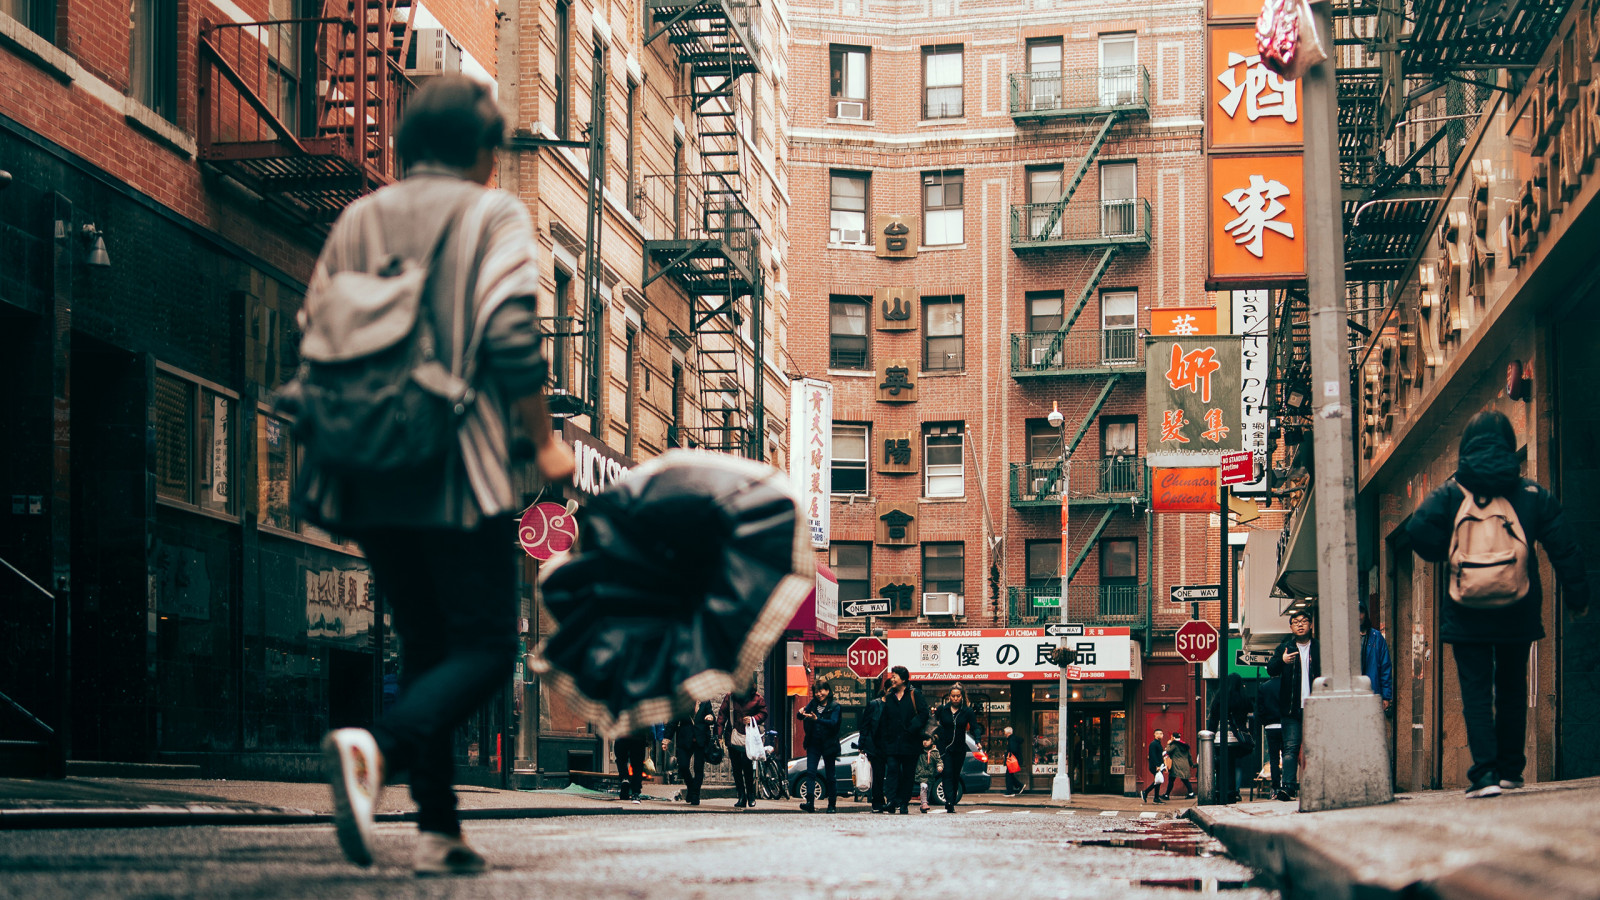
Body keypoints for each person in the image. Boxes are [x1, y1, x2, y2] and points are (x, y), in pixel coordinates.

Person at [313, 75, 576, 877]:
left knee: (427, 643)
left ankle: (438, 828)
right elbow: (508, 332)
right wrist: (543, 441)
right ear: (484, 153)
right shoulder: (490, 213)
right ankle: (378, 749)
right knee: (490, 648)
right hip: (457, 467)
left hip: (367, 469)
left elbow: (318, 329)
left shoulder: (360, 217)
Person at [1407, 410, 1589, 798]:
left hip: (1465, 608)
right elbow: (1565, 548)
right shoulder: (1530, 494)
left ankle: (1484, 776)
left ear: (1465, 448)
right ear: (1509, 444)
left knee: (1476, 690)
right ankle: (1510, 770)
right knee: (1511, 686)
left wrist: (1449, 554)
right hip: (1517, 607)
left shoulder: (1452, 492)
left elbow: (1417, 529)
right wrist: (1578, 598)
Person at [1265, 609, 1319, 801]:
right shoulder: (1285, 648)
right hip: (1291, 708)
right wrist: (1282, 660)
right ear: (1291, 627)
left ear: (1311, 625)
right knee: (1290, 748)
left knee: (1317, 748)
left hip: (1316, 708)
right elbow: (1270, 669)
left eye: (1304, 621)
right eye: (1296, 622)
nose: (1300, 624)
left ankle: (1318, 784)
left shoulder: (1319, 648)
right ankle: (1288, 787)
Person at [878, 666, 928, 815]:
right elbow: (885, 719)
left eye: (895, 676)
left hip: (910, 742)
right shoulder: (889, 697)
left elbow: (924, 714)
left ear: (904, 679)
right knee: (892, 770)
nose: (892, 679)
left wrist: (912, 728)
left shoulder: (914, 694)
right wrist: (884, 739)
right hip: (893, 743)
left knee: (908, 774)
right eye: (892, 676)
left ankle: (904, 803)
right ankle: (891, 801)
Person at [717, 684, 767, 809]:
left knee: (747, 766)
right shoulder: (730, 697)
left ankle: (750, 795)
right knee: (736, 768)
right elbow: (722, 715)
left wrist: (753, 719)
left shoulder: (757, 698)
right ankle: (741, 796)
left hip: (748, 737)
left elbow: (763, 713)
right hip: (733, 736)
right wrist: (718, 735)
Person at [797, 682, 843, 813]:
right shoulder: (813, 704)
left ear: (828, 691)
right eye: (816, 691)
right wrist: (800, 713)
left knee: (830, 775)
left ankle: (832, 805)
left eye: (821, 690)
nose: (819, 694)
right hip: (813, 743)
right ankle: (809, 803)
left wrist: (817, 720)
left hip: (829, 744)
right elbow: (801, 716)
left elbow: (833, 723)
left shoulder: (835, 706)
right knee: (810, 773)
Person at [1209, 673, 1254, 803]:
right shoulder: (1243, 698)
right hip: (1236, 739)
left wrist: (1209, 736)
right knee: (1234, 765)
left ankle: (1219, 791)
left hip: (1219, 738)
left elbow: (1213, 720)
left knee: (1220, 765)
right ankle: (1233, 791)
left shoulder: (1219, 697)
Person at [932, 684, 975, 813]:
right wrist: (932, 738)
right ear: (949, 697)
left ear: (962, 697)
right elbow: (933, 724)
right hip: (945, 748)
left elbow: (975, 727)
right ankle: (949, 802)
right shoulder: (942, 710)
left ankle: (952, 799)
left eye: (958, 696)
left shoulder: (967, 711)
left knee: (955, 775)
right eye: (953, 696)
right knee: (947, 773)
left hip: (960, 748)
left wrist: (977, 741)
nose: (955, 698)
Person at [667, 700, 715, 805]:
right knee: (683, 766)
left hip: (701, 739)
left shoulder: (705, 702)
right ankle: (691, 786)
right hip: (685, 738)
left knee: (698, 768)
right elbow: (674, 720)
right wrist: (667, 737)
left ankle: (695, 794)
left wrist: (710, 718)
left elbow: (711, 715)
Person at [1359, 600, 1394, 715]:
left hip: (1372, 692)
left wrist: (1386, 696)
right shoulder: (1346, 638)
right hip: (1352, 693)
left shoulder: (1376, 637)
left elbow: (1385, 667)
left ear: (1365, 614)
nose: (1358, 616)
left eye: (1361, 612)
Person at [858, 681, 888, 812]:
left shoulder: (897, 705)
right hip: (876, 746)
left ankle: (890, 800)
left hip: (891, 745)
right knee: (878, 775)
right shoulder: (874, 705)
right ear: (885, 690)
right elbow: (865, 725)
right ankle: (878, 801)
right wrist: (862, 744)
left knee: (893, 773)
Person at [1257, 675, 1284, 795]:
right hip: (1285, 724)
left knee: (1274, 759)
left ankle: (1276, 786)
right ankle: (1287, 784)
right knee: (1288, 754)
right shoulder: (1285, 684)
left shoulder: (1264, 687)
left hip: (1270, 726)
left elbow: (1259, 709)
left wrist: (1264, 722)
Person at [914, 735, 943, 813]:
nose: (925, 742)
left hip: (930, 775)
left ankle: (924, 803)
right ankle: (924, 803)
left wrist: (939, 766)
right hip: (921, 773)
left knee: (928, 790)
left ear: (932, 741)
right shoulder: (920, 750)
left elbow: (939, 761)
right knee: (924, 787)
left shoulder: (935, 752)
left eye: (927, 740)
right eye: (923, 740)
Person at [1163, 732, 1195, 800]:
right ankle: (1191, 793)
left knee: (1171, 779)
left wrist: (1168, 744)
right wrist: (1191, 764)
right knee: (1185, 779)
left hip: (1176, 765)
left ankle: (1166, 795)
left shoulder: (1174, 745)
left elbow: (1168, 751)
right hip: (1185, 765)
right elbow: (1189, 756)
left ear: (1173, 737)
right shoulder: (1185, 745)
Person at [1140, 728, 1166, 804]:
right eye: (1158, 733)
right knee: (1158, 781)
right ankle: (1146, 793)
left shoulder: (1158, 743)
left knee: (1158, 781)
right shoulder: (1153, 744)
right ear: (1154, 734)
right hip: (1155, 766)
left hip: (1159, 765)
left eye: (1161, 733)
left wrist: (1163, 765)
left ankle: (1155, 798)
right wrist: (1157, 766)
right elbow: (1153, 755)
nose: (1160, 735)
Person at [1002, 726, 1025, 797]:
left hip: (1012, 760)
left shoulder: (1011, 739)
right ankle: (1020, 785)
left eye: (1005, 732)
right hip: (1016, 760)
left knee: (1008, 775)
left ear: (1008, 733)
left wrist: (1006, 754)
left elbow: (1013, 750)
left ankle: (1010, 792)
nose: (1004, 734)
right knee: (1010, 775)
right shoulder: (1014, 738)